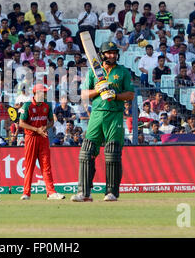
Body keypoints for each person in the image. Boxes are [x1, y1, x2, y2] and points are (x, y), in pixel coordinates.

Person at [71, 42, 134, 202]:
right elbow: (84, 93)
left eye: (114, 53)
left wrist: (115, 96)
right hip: (97, 114)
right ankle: (84, 193)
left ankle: (111, 192)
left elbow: (130, 94)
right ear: (102, 54)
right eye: (109, 53)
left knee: (112, 153)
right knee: (86, 152)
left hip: (115, 114)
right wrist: (98, 90)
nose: (112, 55)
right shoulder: (93, 72)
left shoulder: (123, 71)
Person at [18, 83, 65, 200]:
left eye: (45, 92)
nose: (44, 94)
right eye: (42, 92)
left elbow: (51, 122)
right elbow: (21, 123)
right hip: (31, 138)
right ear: (36, 93)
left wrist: (45, 127)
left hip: (43, 137)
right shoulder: (27, 106)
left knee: (46, 165)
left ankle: (51, 192)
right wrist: (36, 129)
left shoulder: (47, 105)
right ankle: (26, 193)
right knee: (29, 166)